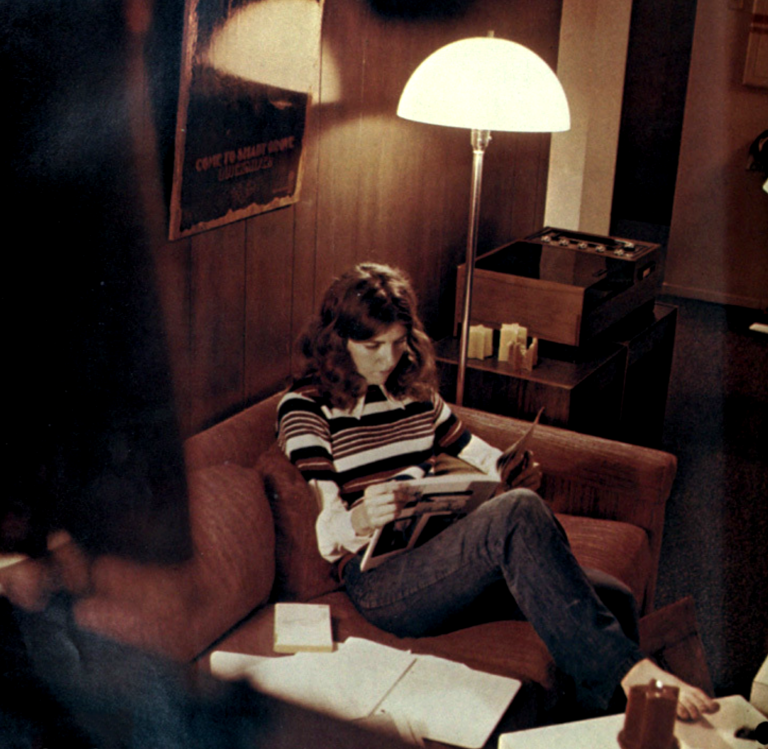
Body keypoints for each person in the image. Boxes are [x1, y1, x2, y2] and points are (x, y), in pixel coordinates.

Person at [277, 262, 717, 720]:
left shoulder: (413, 394)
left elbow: (479, 455)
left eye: (398, 342)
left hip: (447, 560)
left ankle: (599, 728)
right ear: (338, 341)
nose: (388, 359)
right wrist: (362, 517)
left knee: (615, 598)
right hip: (382, 584)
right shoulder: (306, 407)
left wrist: (512, 470)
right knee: (518, 512)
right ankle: (632, 674)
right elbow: (327, 530)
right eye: (372, 346)